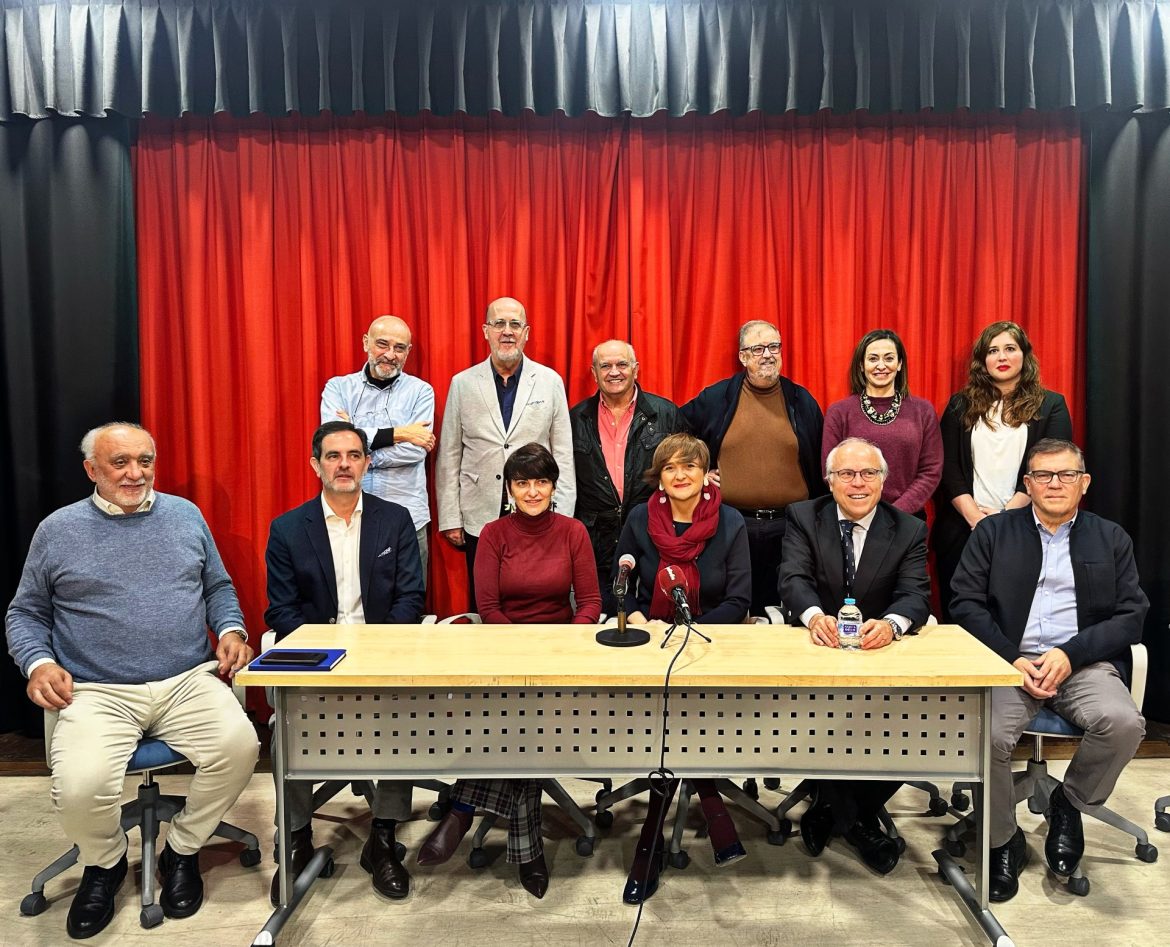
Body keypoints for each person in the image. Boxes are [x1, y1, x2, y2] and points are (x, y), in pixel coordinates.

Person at [5, 423, 259, 939]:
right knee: (80, 787)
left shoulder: (185, 516)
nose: (135, 473)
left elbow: (217, 586)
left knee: (241, 747)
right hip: (97, 690)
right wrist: (39, 663)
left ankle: (182, 849)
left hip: (186, 679)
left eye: (145, 461)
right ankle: (105, 862)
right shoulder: (58, 529)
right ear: (91, 470)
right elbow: (25, 613)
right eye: (119, 462)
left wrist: (232, 629)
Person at [950, 438, 1147, 902]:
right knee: (987, 737)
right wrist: (1011, 657)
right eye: (1043, 475)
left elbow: (1131, 615)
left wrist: (1071, 654)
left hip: (1082, 664)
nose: (1054, 483)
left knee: (1123, 724)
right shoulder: (993, 532)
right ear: (1028, 483)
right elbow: (965, 603)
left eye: (1066, 475)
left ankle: (1069, 802)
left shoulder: (1111, 537)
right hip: (1008, 664)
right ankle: (1003, 840)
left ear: (1084, 483)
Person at [417, 443, 600, 899]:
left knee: (521, 723)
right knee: (524, 724)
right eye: (523, 483)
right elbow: (488, 606)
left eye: (541, 482)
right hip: (504, 651)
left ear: (553, 487)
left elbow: (590, 603)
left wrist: (561, 645)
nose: (532, 491)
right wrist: (521, 650)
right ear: (510, 489)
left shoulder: (573, 531)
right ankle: (527, 851)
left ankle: (462, 808)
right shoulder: (494, 534)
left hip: (560, 656)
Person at [264, 421, 425, 904]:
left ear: (367, 463)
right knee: (285, 723)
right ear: (316, 465)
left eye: (354, 455)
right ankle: (296, 835)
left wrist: (373, 653)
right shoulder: (288, 528)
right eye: (333, 456)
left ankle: (383, 838)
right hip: (317, 659)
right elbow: (281, 610)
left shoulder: (394, 520)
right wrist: (327, 655)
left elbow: (411, 598)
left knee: (402, 716)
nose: (344, 465)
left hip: (380, 655)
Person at [780, 437, 932, 874]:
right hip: (818, 650)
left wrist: (891, 625)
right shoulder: (804, 516)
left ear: (884, 480)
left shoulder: (908, 528)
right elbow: (792, 578)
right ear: (829, 480)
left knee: (915, 721)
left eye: (869, 473)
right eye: (846, 473)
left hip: (878, 655)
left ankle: (829, 809)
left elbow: (915, 595)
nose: (858, 483)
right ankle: (860, 824)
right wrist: (813, 617)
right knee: (815, 717)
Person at [612, 433, 751, 903]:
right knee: (671, 726)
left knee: (679, 727)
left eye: (690, 466)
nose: (680, 475)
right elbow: (622, 583)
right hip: (652, 647)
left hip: (712, 646)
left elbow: (739, 600)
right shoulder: (640, 518)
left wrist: (690, 631)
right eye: (670, 467)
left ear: (706, 474)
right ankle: (712, 807)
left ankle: (649, 846)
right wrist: (638, 619)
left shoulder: (730, 521)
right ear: (659, 477)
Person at [436, 297, 575, 609]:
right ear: (486, 331)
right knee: (485, 603)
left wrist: (563, 514)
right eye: (499, 323)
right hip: (479, 516)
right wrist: (450, 517)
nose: (507, 331)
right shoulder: (462, 383)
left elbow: (563, 453)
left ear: (526, 332)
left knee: (538, 600)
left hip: (538, 511)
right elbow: (449, 455)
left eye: (515, 324)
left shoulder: (550, 381)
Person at [681, 320, 824, 615]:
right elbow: (675, 432)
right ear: (742, 357)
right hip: (731, 524)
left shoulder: (802, 401)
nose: (767, 355)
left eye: (774, 347)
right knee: (734, 609)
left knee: (786, 614)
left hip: (791, 527)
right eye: (758, 349)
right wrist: (698, 472)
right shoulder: (717, 398)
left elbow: (821, 458)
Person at [934, 321, 1072, 618]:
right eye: (993, 351)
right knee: (961, 619)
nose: (1002, 357)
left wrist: (1005, 517)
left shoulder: (1051, 405)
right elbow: (947, 468)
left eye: (1010, 349)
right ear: (983, 360)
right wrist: (976, 518)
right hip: (964, 530)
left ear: (1024, 355)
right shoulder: (960, 404)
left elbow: (1052, 468)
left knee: (1015, 619)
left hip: (1026, 528)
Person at [320, 315, 437, 581]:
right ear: (366, 342)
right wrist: (401, 433)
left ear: (408, 351)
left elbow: (415, 451)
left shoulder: (421, 392)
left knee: (409, 598)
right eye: (382, 344)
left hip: (409, 516)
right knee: (351, 596)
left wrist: (357, 446)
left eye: (399, 348)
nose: (390, 355)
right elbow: (334, 441)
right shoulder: (338, 388)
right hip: (348, 515)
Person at [569, 339, 687, 596]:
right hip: (596, 544)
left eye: (622, 364)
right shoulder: (575, 419)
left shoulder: (666, 413)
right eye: (605, 366)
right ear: (594, 373)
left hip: (653, 538)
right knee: (601, 613)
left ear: (636, 369)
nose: (614, 372)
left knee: (651, 612)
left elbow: (689, 468)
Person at [820, 329, 942, 516]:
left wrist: (896, 513)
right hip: (854, 515)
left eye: (889, 358)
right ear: (861, 366)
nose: (881, 365)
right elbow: (831, 471)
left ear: (899, 364)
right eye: (873, 359)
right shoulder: (839, 412)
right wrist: (864, 510)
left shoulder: (923, 411)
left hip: (907, 518)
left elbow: (931, 470)